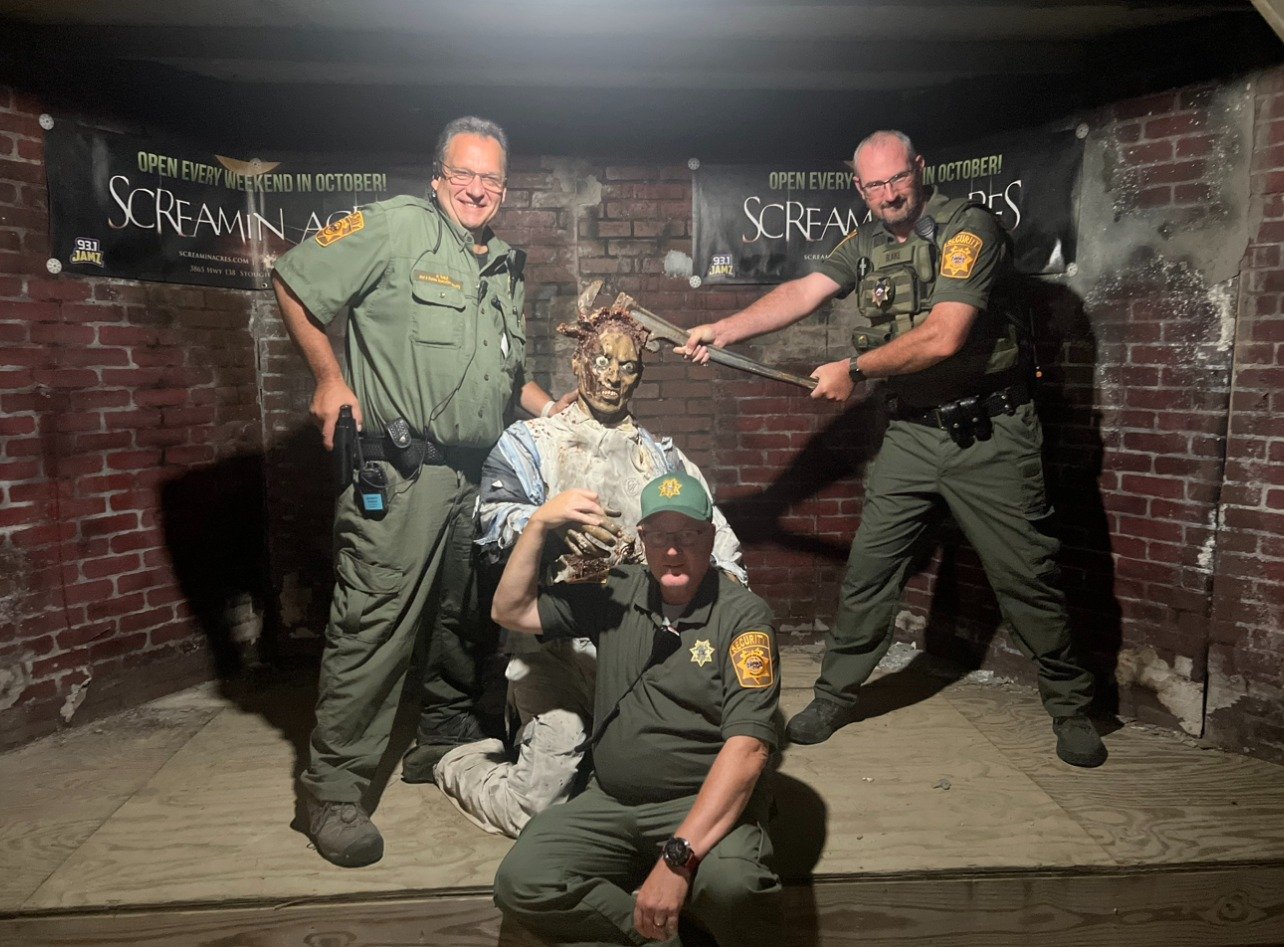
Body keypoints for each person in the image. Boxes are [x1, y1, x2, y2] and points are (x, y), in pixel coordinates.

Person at [681, 129, 1106, 768]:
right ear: (860, 187)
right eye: (874, 185)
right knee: (871, 570)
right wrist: (722, 329)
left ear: (919, 169)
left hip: (991, 434)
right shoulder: (868, 241)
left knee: (1028, 578)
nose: (888, 194)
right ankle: (833, 696)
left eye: (897, 179)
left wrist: (854, 367)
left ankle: (1072, 708)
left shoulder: (969, 229)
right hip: (911, 431)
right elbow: (804, 290)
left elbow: (943, 336)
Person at [272, 116, 567, 867]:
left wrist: (553, 410)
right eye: (464, 174)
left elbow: (506, 379)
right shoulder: (395, 228)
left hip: (482, 470)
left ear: (504, 189)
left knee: (468, 616)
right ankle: (331, 792)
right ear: (437, 177)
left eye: (492, 179)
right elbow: (294, 278)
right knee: (373, 624)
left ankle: (444, 740)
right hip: (400, 476)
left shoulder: (502, 262)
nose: (477, 189)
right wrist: (331, 376)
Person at [404, 301, 745, 838]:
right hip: (555, 645)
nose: (613, 378)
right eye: (602, 361)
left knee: (686, 779)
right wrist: (545, 522)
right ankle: (460, 763)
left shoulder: (661, 456)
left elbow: (715, 531)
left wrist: (728, 605)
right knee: (539, 802)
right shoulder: (530, 444)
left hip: (640, 646)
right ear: (579, 362)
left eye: (628, 366)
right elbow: (489, 520)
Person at [491, 472, 782, 946]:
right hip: (611, 801)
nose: (673, 549)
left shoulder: (743, 617)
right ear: (642, 539)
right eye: (661, 536)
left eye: (687, 534)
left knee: (737, 888)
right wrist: (538, 525)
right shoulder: (616, 591)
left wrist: (678, 858)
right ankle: (657, 937)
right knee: (523, 880)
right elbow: (511, 610)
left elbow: (749, 749)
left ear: (709, 537)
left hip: (697, 802)